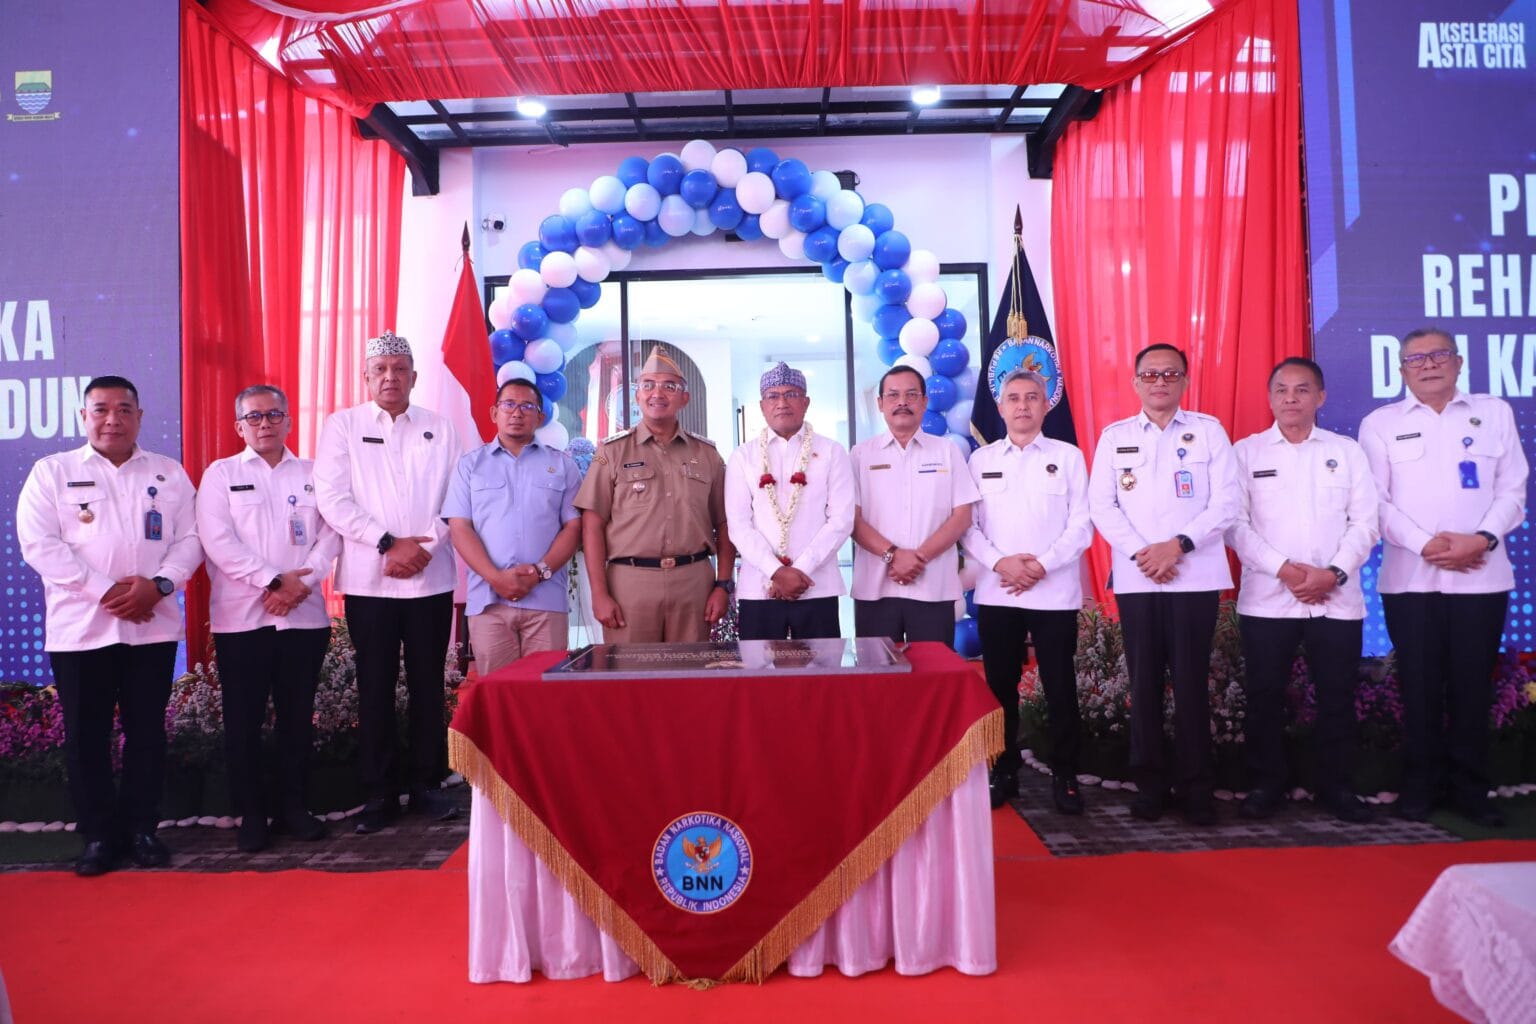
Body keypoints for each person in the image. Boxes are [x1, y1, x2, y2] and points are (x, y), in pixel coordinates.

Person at [16, 375, 203, 876]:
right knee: (86, 735)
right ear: (84, 416)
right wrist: (108, 591)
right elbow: (39, 544)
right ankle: (98, 835)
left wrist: (160, 585)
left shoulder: (168, 473)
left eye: (124, 409)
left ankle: (143, 829)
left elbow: (191, 538)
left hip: (152, 624)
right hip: (82, 629)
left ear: (140, 416)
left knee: (147, 733)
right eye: (100, 409)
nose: (112, 419)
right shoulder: (52, 472)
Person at [1359, 328, 1528, 826]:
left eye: (1438, 356)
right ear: (1402, 371)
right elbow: (1375, 502)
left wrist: (1482, 538)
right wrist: (1426, 545)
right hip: (1411, 580)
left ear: (1457, 363)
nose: (1428, 365)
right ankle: (1420, 788)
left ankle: (1472, 791)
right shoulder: (1380, 423)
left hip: (1482, 576)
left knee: (1474, 688)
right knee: (1419, 687)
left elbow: (1513, 489)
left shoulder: (1493, 413)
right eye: (1416, 359)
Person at [313, 330, 462, 834]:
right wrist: (387, 543)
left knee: (427, 685)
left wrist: (425, 548)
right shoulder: (343, 426)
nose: (390, 378)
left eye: (400, 369)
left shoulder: (440, 428)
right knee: (373, 687)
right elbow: (332, 499)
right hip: (369, 581)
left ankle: (426, 784)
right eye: (381, 370)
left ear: (414, 377)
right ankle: (378, 793)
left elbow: (456, 498)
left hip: (430, 578)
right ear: (366, 377)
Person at [1087, 343, 1239, 825]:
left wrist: (1178, 545)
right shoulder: (1114, 437)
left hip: (1194, 576)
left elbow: (1226, 502)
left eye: (1169, 374)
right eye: (1150, 375)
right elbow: (1102, 506)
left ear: (1185, 381)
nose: (1159, 382)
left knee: (1193, 683)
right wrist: (1143, 552)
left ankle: (1197, 787)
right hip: (1138, 578)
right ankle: (1149, 784)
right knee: (1145, 683)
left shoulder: (1208, 432)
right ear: (1135, 383)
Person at [1226, 358, 1379, 823]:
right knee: (1265, 695)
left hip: (1335, 598)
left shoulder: (1347, 451)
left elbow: (1365, 523)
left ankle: (1335, 787)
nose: (1291, 398)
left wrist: (1332, 572)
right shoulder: (1246, 453)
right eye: (1282, 390)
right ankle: (1266, 784)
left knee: (1336, 696)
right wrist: (1285, 570)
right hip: (1268, 599)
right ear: (1270, 397)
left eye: (1302, 389)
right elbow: (1235, 524)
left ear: (1321, 397)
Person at [197, 384, 341, 852]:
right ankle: (252, 815)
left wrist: (305, 581)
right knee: (243, 721)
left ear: (289, 422)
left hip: (304, 618)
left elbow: (331, 534)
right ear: (239, 426)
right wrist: (274, 582)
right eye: (253, 417)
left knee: (297, 719)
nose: (264, 424)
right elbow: (218, 542)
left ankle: (294, 808)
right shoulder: (220, 475)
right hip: (243, 620)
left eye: (273, 415)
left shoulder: (316, 474)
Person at [963, 370, 1092, 812]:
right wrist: (1002, 563)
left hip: (1053, 593)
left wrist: (1041, 565)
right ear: (999, 408)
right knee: (999, 686)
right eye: (1013, 398)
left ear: (1045, 405)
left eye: (1031, 398)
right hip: (999, 593)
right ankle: (1003, 770)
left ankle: (1065, 774)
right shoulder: (980, 461)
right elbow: (969, 528)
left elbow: (1082, 524)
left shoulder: (1069, 456)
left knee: (1060, 686)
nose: (1022, 406)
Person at [575, 345, 735, 643]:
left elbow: (725, 524)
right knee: (631, 680)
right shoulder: (611, 452)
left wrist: (722, 585)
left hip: (693, 584)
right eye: (648, 385)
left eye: (669, 386)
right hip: (629, 585)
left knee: (689, 679)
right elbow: (592, 525)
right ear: (637, 396)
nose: (657, 393)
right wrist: (598, 593)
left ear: (684, 398)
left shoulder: (708, 455)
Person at [444, 377, 582, 674]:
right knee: (498, 698)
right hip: (489, 603)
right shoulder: (470, 466)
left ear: (540, 416)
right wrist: (496, 578)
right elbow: (460, 527)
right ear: (495, 412)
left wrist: (540, 571)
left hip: (546, 601)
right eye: (509, 404)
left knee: (546, 698)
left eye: (526, 406)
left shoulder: (563, 465)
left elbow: (573, 528)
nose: (516, 413)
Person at [724, 362, 854, 641]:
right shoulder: (743, 457)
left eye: (791, 394)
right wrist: (776, 572)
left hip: (817, 585)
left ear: (805, 402)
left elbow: (841, 520)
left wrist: (800, 571)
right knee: (760, 676)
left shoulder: (832, 451)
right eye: (773, 396)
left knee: (822, 675)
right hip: (759, 589)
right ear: (762, 406)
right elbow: (738, 525)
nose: (782, 402)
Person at [850, 365, 978, 644]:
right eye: (893, 395)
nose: (902, 403)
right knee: (879, 680)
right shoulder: (860, 455)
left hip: (934, 587)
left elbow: (962, 515)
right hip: (875, 588)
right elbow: (852, 520)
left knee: (934, 678)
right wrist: (893, 556)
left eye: (911, 394)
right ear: (880, 404)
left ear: (925, 402)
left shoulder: (948, 451)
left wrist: (918, 558)